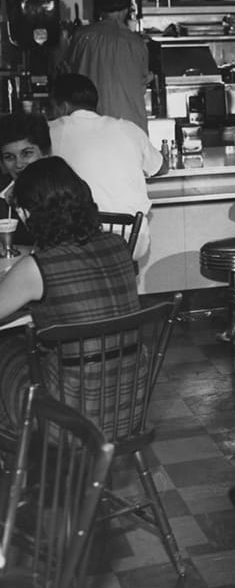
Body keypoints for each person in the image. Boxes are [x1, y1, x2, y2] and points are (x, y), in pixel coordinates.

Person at [0, 157, 140, 444]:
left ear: (29, 214)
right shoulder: (119, 247)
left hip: (66, 418)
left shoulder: (37, 268)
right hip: (127, 405)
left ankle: (17, 457)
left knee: (6, 349)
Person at [48, 73, 167, 261]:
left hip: (77, 245)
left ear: (62, 106)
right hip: (131, 241)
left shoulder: (50, 131)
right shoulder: (128, 128)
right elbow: (161, 167)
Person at [59, 0, 150, 130]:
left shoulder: (82, 37)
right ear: (126, 10)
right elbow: (142, 81)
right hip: (130, 125)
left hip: (89, 124)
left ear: (99, 10)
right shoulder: (137, 42)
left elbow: (67, 73)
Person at [0, 112, 51, 245]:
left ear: (45, 153)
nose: (19, 164)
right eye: (9, 157)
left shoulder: (64, 191)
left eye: (27, 153)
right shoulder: (3, 194)